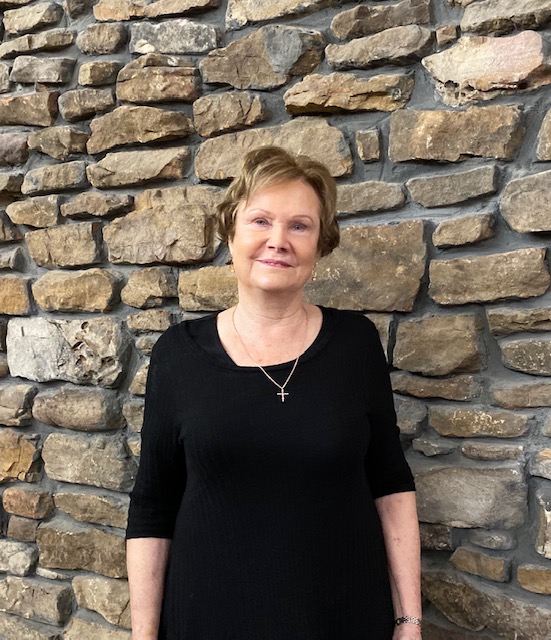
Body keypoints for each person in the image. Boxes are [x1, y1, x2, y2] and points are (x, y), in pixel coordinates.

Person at [126, 146, 422, 640]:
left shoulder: (355, 345)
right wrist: (143, 635)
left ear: (320, 245)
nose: (278, 241)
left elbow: (390, 483)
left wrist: (409, 621)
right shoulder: (178, 355)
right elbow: (152, 507)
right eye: (260, 221)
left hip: (342, 620)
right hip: (209, 623)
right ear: (231, 233)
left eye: (299, 226)